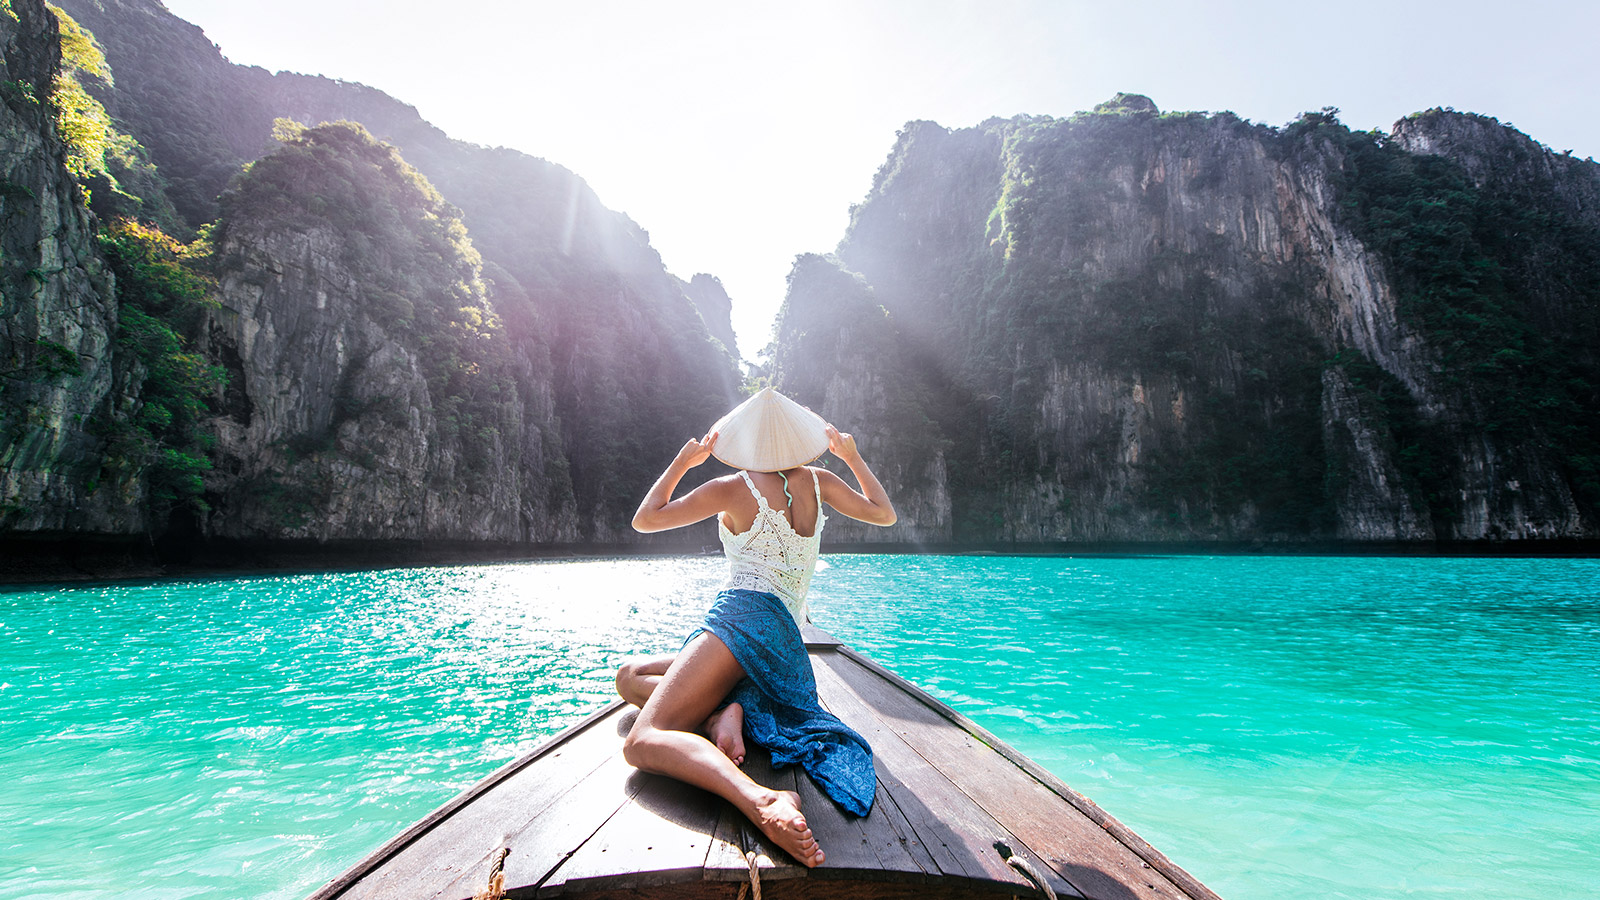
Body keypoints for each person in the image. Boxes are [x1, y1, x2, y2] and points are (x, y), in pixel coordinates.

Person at [615, 387, 896, 868]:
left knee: (643, 740)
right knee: (629, 675)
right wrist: (851, 456)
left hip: (742, 619)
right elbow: (884, 513)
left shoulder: (732, 487)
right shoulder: (821, 481)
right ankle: (721, 715)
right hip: (784, 640)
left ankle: (761, 799)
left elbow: (645, 520)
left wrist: (685, 461)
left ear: (744, 441)